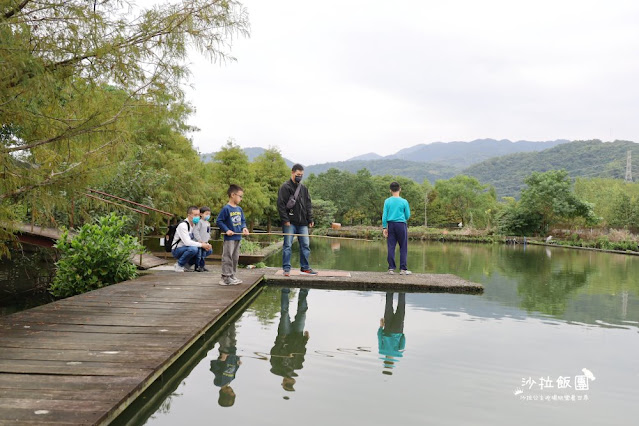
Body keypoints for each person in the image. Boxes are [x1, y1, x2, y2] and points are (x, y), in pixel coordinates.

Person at [277, 164, 317, 277]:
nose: (300, 177)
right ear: (292, 173)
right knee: (287, 245)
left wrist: (310, 219)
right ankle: (286, 269)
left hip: (303, 223)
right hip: (290, 222)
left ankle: (305, 268)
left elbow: (308, 205)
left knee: (305, 245)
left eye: (302, 175)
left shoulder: (304, 189)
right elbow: (280, 205)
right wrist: (285, 220)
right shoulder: (285, 187)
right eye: (298, 175)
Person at [270, 288, 310, 391]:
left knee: (284, 313)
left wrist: (284, 352)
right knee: (302, 312)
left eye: (287, 384)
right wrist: (306, 339)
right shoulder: (298, 365)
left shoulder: (276, 368)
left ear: (283, 382)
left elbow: (273, 351)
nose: (290, 382)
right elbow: (302, 351)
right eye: (291, 384)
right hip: (298, 335)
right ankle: (304, 291)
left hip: (285, 335)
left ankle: (285, 290)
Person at [216, 184, 249, 286]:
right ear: (232, 195)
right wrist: (227, 230)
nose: (241, 199)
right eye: (240, 196)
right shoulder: (226, 208)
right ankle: (225, 277)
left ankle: (232, 275)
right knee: (227, 257)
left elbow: (242, 221)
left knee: (235, 257)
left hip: (237, 237)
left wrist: (244, 228)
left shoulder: (239, 209)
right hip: (229, 238)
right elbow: (219, 221)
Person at [382, 181, 411, 274]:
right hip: (401, 225)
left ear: (390, 190)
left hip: (391, 225)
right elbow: (407, 215)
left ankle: (391, 268)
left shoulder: (387, 201)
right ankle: (403, 269)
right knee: (403, 247)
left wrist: (384, 227)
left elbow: (384, 215)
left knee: (391, 246)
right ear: (400, 189)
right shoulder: (404, 201)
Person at [172, 205, 212, 272]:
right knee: (194, 249)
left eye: (198, 215)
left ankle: (187, 265)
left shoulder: (196, 224)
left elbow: (201, 236)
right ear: (189, 215)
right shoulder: (183, 225)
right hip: (178, 249)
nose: (197, 217)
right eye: (195, 215)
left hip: (190, 248)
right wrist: (202, 244)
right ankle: (179, 265)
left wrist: (206, 244)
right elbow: (187, 242)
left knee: (209, 250)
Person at [210, 322, 241, 407]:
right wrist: (238, 362)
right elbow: (235, 368)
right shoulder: (232, 378)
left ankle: (224, 322)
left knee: (224, 336)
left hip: (225, 351)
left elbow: (214, 368)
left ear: (224, 392)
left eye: (231, 392)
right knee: (232, 335)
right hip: (232, 352)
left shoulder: (218, 382)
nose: (232, 390)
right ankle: (232, 321)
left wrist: (221, 360)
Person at [378, 292, 406, 375]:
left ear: (393, 363)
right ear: (385, 360)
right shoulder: (381, 351)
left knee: (401, 307)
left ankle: (402, 291)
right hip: (387, 330)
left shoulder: (399, 354)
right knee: (388, 307)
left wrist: (401, 333)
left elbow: (403, 341)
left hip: (397, 330)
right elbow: (379, 338)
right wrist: (380, 327)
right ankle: (389, 291)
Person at [193, 205, 213, 272]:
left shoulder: (208, 223)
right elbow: (196, 231)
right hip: (200, 242)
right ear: (201, 214)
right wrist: (199, 240)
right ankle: (197, 266)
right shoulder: (199, 222)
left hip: (205, 242)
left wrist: (207, 240)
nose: (208, 216)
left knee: (203, 255)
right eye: (206, 214)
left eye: (209, 214)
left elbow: (208, 232)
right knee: (199, 255)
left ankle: (202, 266)